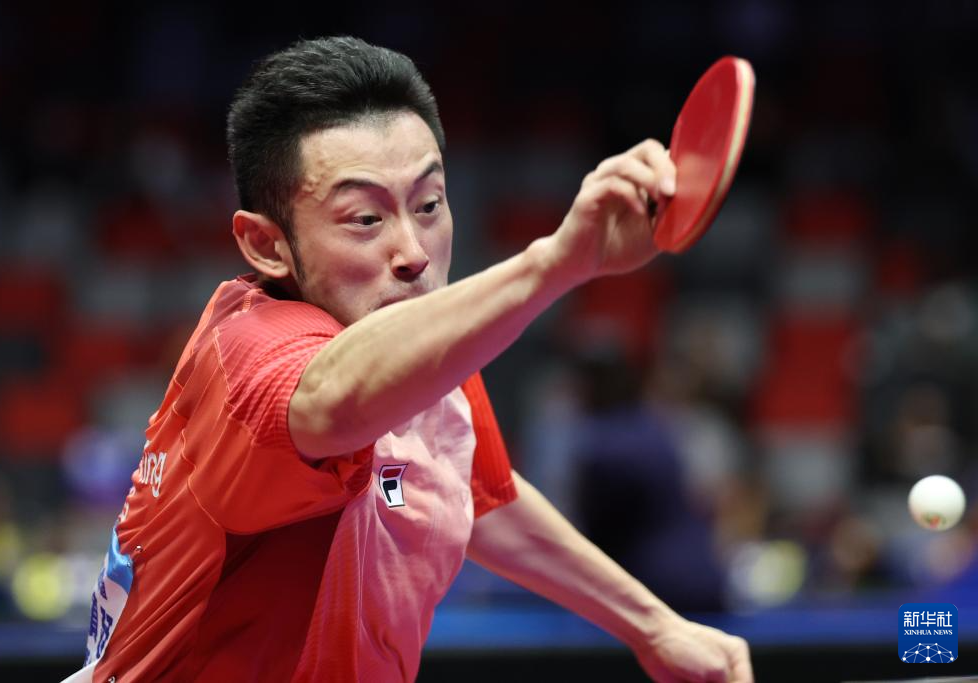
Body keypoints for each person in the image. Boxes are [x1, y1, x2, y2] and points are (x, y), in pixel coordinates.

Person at [64, 36, 753, 683]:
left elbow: (483, 498)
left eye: (429, 204)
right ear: (267, 245)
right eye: (365, 219)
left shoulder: (425, 360)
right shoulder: (247, 352)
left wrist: (653, 626)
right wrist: (556, 263)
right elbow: (331, 399)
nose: (414, 253)